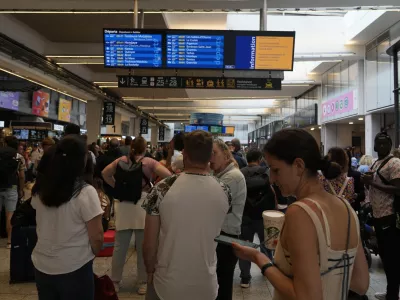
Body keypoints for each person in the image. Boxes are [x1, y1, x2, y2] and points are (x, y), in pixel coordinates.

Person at [233, 128, 369, 300]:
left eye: (276, 170)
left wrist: (259, 258)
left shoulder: (300, 212)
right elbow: (360, 283)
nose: (272, 179)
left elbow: (306, 296)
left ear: (298, 165)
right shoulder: (345, 207)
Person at [142, 130, 232, 300]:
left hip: (167, 282)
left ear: (184, 154)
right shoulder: (224, 190)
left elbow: (149, 243)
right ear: (210, 156)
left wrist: (149, 270)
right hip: (206, 283)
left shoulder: (162, 188)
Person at [31, 134, 104, 300]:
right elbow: (97, 236)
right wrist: (90, 254)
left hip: (42, 264)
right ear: (81, 161)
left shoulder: (40, 189)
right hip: (74, 266)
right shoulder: (85, 192)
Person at [102, 136, 171, 295]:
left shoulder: (120, 161)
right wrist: (154, 190)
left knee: (120, 247)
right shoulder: (149, 163)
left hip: (124, 205)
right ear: (145, 148)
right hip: (143, 205)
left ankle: (115, 281)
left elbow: (105, 173)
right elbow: (168, 176)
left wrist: (117, 187)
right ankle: (142, 283)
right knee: (142, 247)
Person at [361, 132, 400, 300]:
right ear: (375, 146)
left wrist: (372, 183)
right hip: (378, 216)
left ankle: (393, 295)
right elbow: (374, 186)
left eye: (386, 143)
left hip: (390, 216)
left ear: (390, 145)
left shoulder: (395, 162)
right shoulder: (376, 163)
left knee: (392, 258)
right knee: (385, 256)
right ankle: (391, 291)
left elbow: (398, 189)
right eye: (380, 144)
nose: (382, 146)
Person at [210, 138, 246, 300]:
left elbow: (211, 206)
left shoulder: (231, 177)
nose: (210, 158)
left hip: (225, 238)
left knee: (221, 285)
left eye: (214, 153)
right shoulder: (222, 175)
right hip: (221, 237)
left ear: (226, 155)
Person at [239, 149, 276, 288]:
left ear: (247, 158)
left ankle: (245, 278)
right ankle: (267, 271)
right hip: (262, 216)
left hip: (245, 216)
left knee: (244, 246)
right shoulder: (266, 172)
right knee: (265, 245)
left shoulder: (240, 173)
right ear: (260, 159)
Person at [0, 136, 25, 248]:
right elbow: (21, 176)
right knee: (10, 215)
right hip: (12, 187)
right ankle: (9, 241)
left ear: (5, 143)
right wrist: (21, 189)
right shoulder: (19, 156)